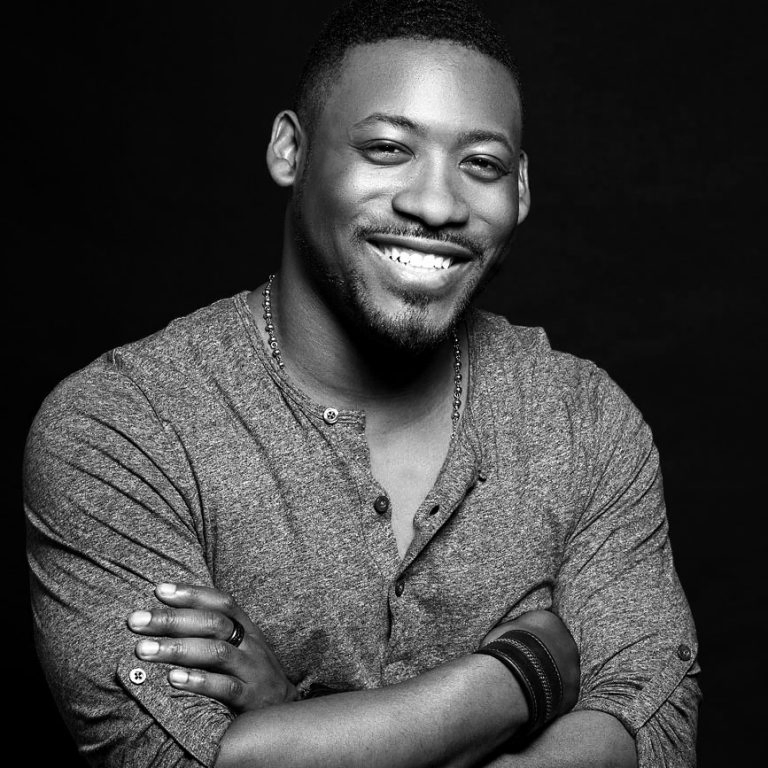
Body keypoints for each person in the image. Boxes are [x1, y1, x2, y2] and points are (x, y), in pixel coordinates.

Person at [24, 1, 700, 766]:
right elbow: (170, 759)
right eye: (387, 149)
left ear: (519, 190)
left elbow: (654, 738)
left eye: (481, 164)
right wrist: (520, 677)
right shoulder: (120, 429)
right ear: (291, 150)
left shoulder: (584, 421)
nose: (436, 204)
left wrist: (295, 727)